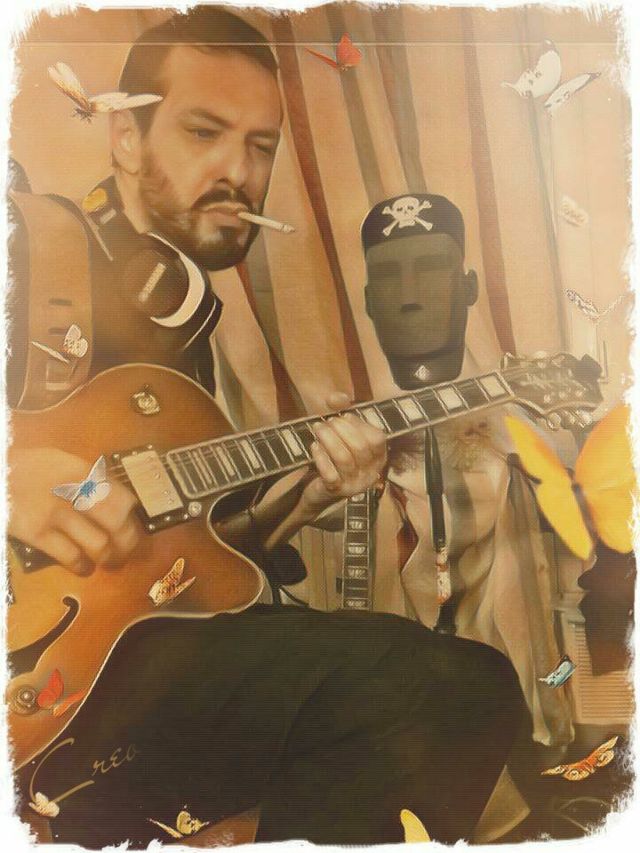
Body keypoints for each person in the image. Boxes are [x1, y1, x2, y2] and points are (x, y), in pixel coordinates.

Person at [7, 8, 523, 847]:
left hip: (122, 667)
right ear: (126, 137)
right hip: (37, 681)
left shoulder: (177, 320)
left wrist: (309, 493)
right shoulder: (29, 241)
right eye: (202, 131)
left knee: (467, 689)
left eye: (260, 146)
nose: (237, 172)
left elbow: (185, 567)